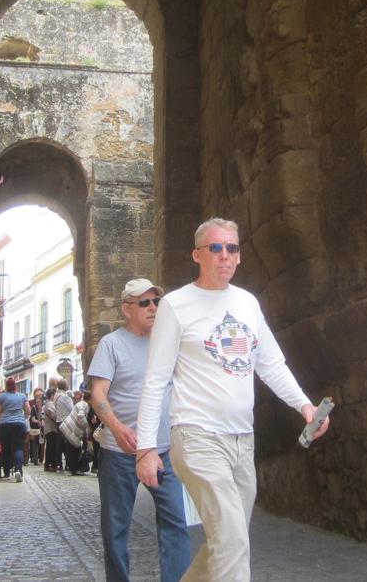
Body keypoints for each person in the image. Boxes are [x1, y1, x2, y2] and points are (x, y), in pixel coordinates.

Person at [136, 218, 329, 581]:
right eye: (215, 248)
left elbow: (270, 363)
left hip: (242, 441)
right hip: (197, 438)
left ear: (239, 256)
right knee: (232, 541)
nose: (225, 255)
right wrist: (146, 447)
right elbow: (156, 379)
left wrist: (305, 406)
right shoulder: (176, 306)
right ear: (197, 255)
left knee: (227, 540)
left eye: (232, 248)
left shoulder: (247, 303)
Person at [89, 278, 192, 582]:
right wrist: (118, 428)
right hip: (119, 452)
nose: (152, 308)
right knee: (115, 528)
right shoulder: (112, 344)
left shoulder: (169, 342)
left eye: (156, 302)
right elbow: (98, 394)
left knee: (177, 522)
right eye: (144, 303)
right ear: (127, 309)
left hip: (163, 450)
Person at [0, 377, 31, 482]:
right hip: (19, 424)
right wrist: (22, 417)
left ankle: (6, 473)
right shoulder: (22, 396)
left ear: (6, 386)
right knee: (18, 447)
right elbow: (28, 411)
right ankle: (18, 470)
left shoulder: (2, 397)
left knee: (5, 449)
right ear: (15, 386)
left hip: (4, 425)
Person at [61, 389, 91, 475]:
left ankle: (72, 469)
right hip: (71, 429)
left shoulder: (82, 404)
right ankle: (73, 469)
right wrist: (87, 426)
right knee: (74, 450)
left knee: (73, 449)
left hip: (71, 429)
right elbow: (81, 416)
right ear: (89, 399)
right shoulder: (84, 405)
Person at [28, 387, 45, 466]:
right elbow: (32, 418)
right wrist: (38, 422)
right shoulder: (33, 406)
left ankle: (42, 458)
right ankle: (35, 458)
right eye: (37, 396)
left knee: (42, 443)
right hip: (35, 428)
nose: (38, 398)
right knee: (35, 443)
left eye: (40, 396)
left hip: (43, 428)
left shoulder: (44, 406)